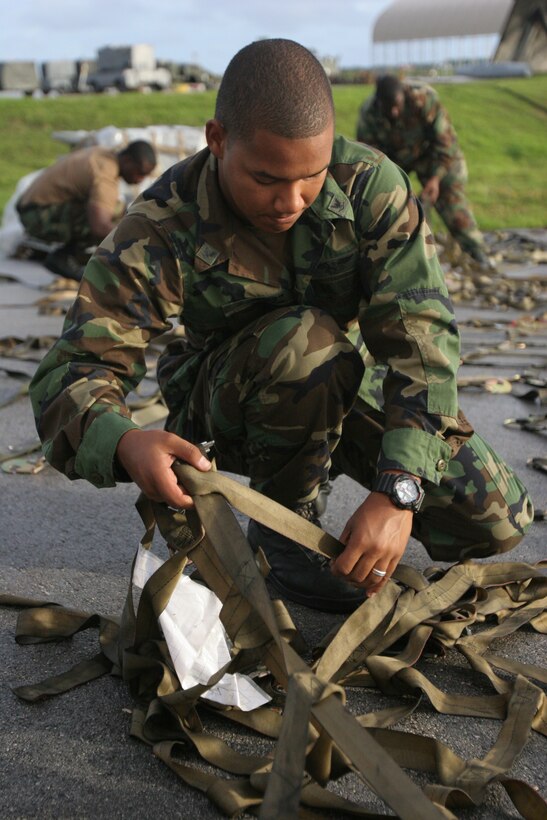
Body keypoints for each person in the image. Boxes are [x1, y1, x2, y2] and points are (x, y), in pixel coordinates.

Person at [29, 39, 533, 614]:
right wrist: (123, 439)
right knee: (307, 342)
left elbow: (421, 339)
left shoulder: (371, 188)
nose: (290, 201)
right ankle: (282, 539)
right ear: (217, 140)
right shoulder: (162, 223)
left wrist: (401, 488)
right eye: (266, 178)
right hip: (220, 406)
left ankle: (329, 466)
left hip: (340, 378)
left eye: (310, 176)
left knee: (495, 518)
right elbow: (71, 372)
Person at [356, 75, 492, 268]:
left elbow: (446, 144)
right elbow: (369, 158)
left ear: (404, 96)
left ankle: (479, 255)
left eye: (397, 106)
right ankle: (395, 260)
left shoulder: (424, 99)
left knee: (452, 204)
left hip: (433, 155)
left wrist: (435, 179)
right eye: (388, 108)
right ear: (379, 103)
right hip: (394, 160)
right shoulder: (369, 114)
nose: (394, 112)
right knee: (385, 204)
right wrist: (392, 184)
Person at [16, 140, 157, 280]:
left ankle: (74, 255)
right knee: (111, 219)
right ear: (127, 160)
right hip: (36, 216)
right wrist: (135, 254)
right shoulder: (105, 176)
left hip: (32, 208)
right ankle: (66, 257)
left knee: (116, 212)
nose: (140, 179)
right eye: (139, 173)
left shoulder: (103, 154)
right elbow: (100, 227)